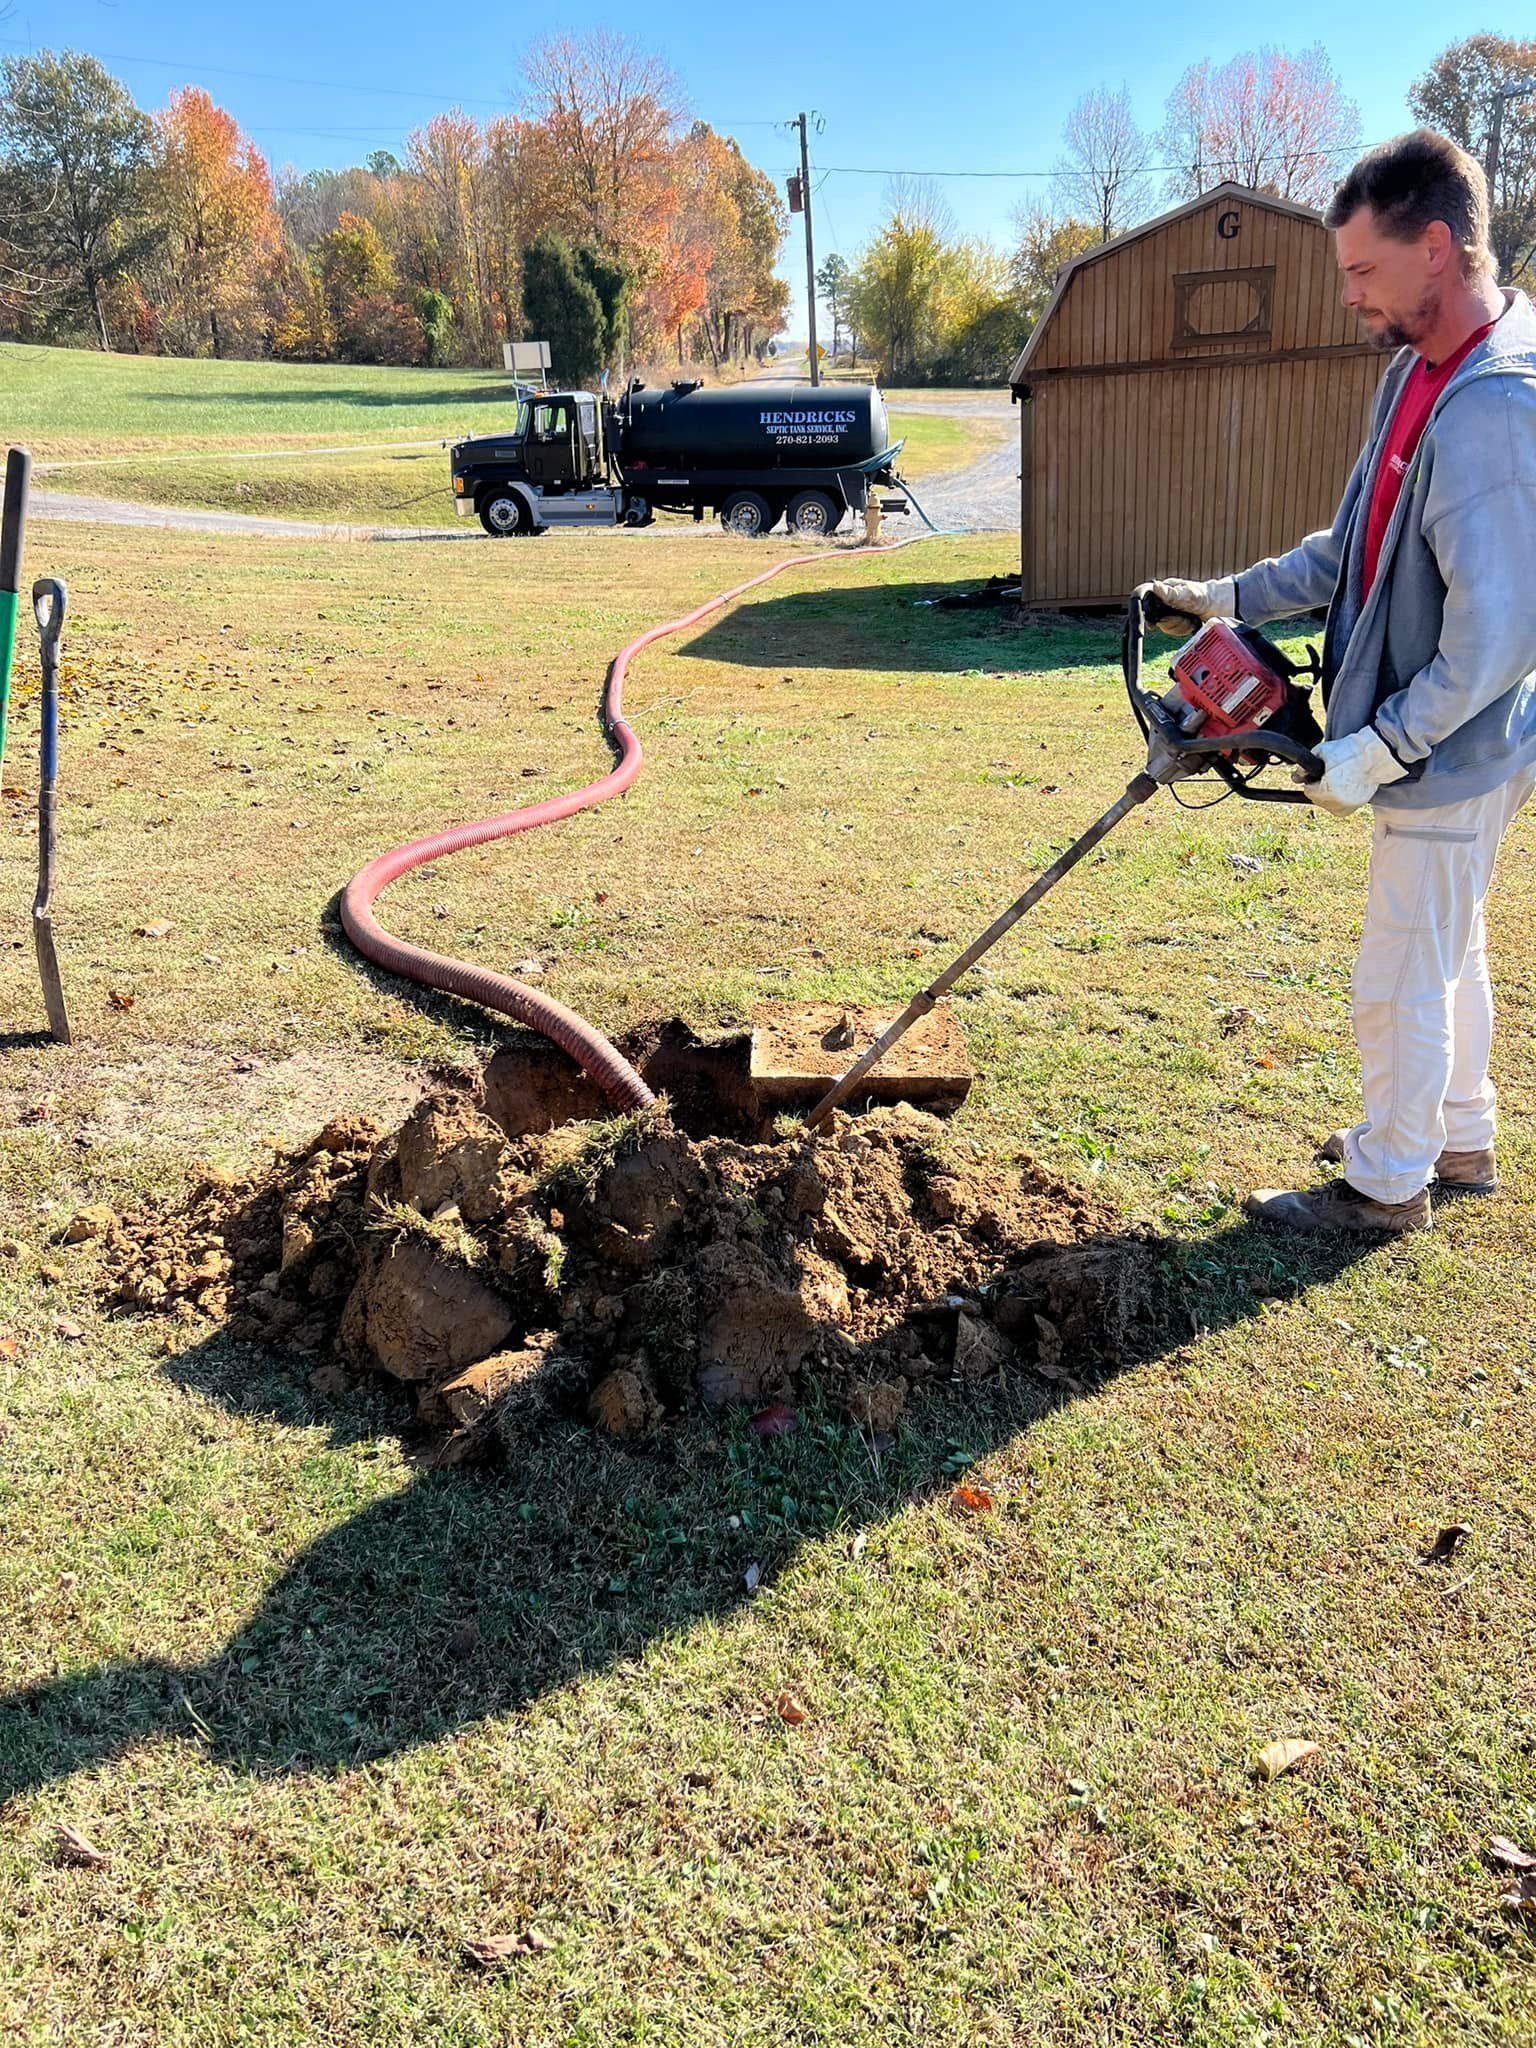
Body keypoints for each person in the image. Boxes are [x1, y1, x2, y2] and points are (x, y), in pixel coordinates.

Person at [1151, 130, 1536, 1236]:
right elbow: (1352, 543)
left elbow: (1499, 634)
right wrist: (1225, 596)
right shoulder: (1418, 375)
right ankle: (1456, 1135)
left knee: (1400, 966)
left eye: (1365, 271)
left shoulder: (1498, 409)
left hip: (1457, 745)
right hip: (1459, 742)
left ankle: (1386, 1182)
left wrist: (1381, 748)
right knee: (1448, 945)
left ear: (1435, 247)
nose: (1352, 296)